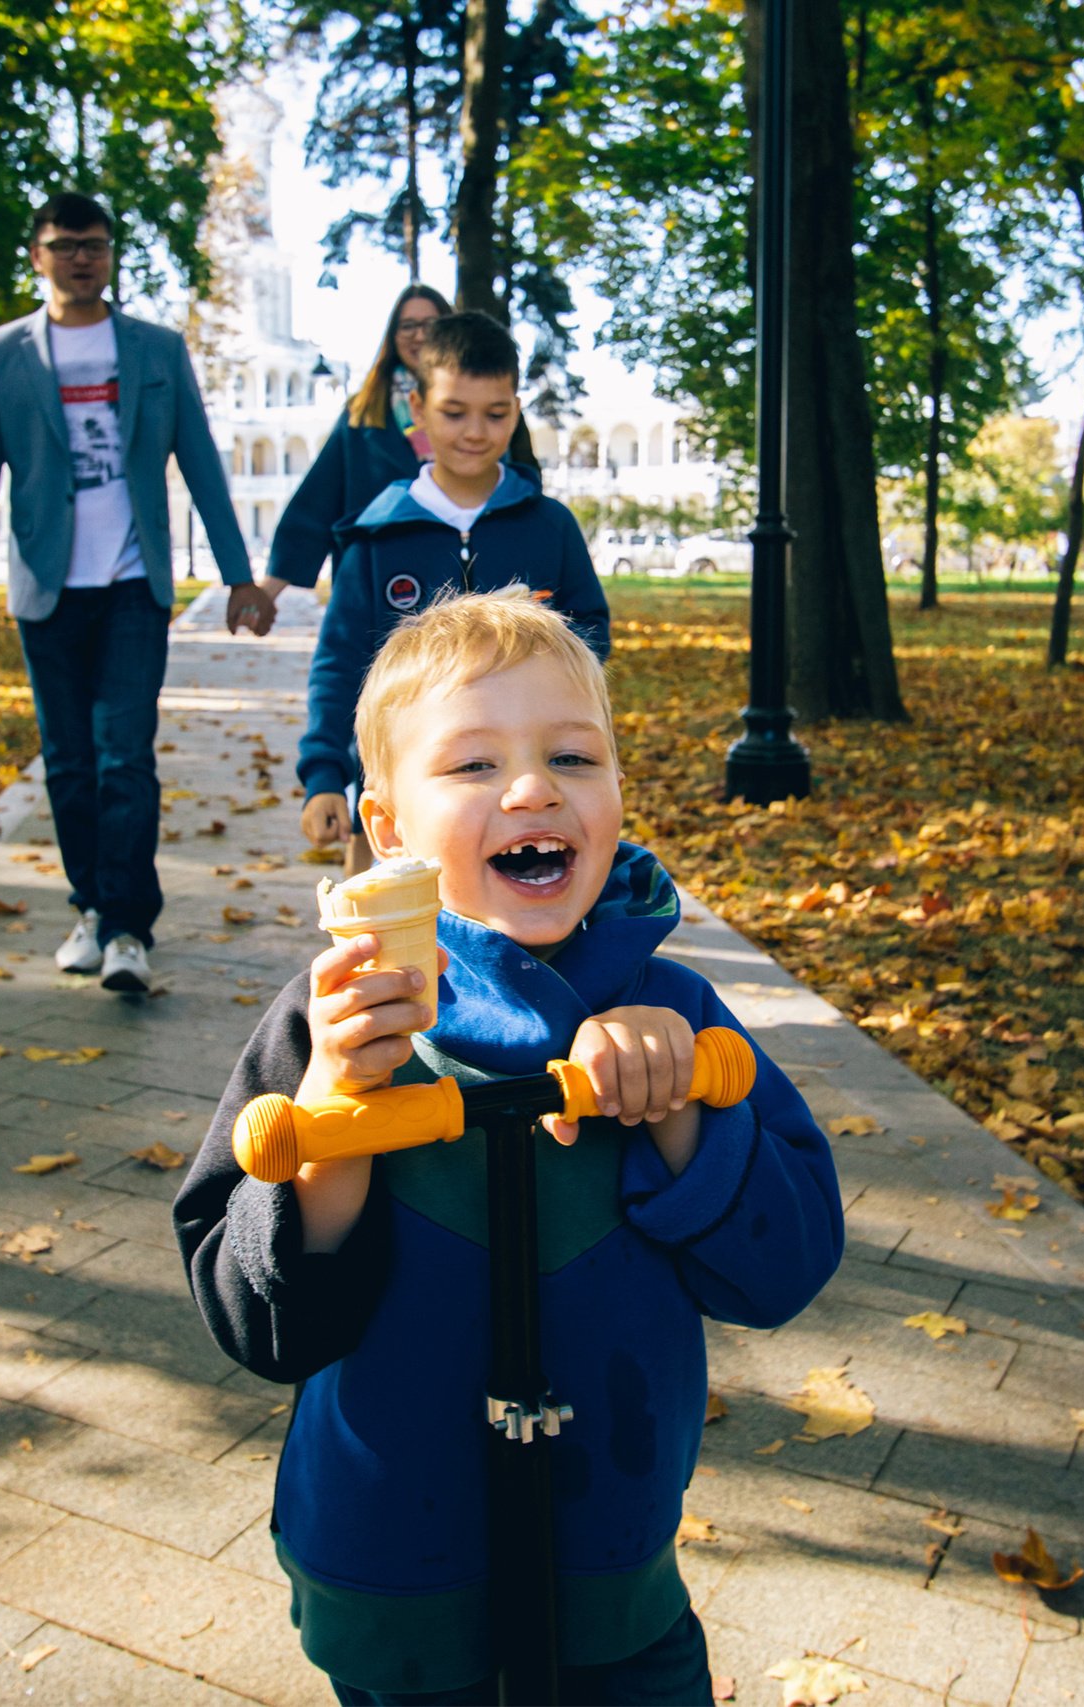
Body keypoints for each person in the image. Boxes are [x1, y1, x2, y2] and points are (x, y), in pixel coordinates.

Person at [175, 589, 843, 1705]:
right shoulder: (334, 1019)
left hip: (610, 1565)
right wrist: (338, 1106)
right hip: (394, 1564)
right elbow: (257, 1320)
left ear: (618, 793)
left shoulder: (673, 1007)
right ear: (387, 830)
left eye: (572, 757)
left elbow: (784, 1268)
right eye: (473, 767)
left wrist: (679, 1103)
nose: (531, 789)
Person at [0, 190, 279, 995]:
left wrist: (239, 575)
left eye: (93, 244)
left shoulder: (157, 350)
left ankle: (129, 927)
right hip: (46, 588)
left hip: (135, 587)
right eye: (64, 245)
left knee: (124, 757)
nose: (81, 257)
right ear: (39, 256)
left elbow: (199, 461)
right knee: (67, 761)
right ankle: (90, 907)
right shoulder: (0, 354)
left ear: (111, 253)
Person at [299, 311, 608, 880]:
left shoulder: (549, 527)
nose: (474, 431)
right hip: (404, 783)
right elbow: (340, 664)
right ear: (417, 411)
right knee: (392, 943)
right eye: (454, 412)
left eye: (494, 414)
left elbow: (590, 642)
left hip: (526, 794)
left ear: (515, 412)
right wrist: (323, 776)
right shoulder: (376, 536)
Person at [265, 282, 450, 595]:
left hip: (454, 576)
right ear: (392, 336)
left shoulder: (481, 410)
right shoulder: (363, 412)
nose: (419, 335)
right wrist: (269, 591)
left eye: (431, 325)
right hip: (379, 584)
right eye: (408, 326)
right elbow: (317, 501)